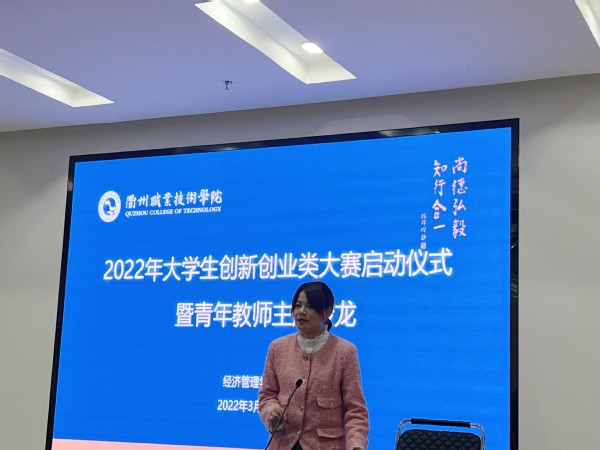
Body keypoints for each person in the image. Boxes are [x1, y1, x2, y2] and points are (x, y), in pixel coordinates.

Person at [258, 281, 369, 450]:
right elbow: (267, 395)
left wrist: (356, 444)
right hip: (283, 443)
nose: (301, 312)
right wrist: (271, 410)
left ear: (328, 311)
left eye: (310, 306)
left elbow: (355, 410)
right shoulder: (277, 348)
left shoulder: (345, 352)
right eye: (298, 305)